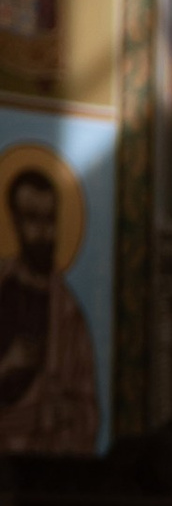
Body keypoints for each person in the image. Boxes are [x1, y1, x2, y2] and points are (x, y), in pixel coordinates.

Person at [0, 158, 98, 452]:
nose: (44, 232)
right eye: (32, 218)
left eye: (50, 219)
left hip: (45, 463)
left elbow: (88, 411)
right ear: (15, 221)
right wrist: (7, 366)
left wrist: (57, 407)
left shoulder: (68, 314)